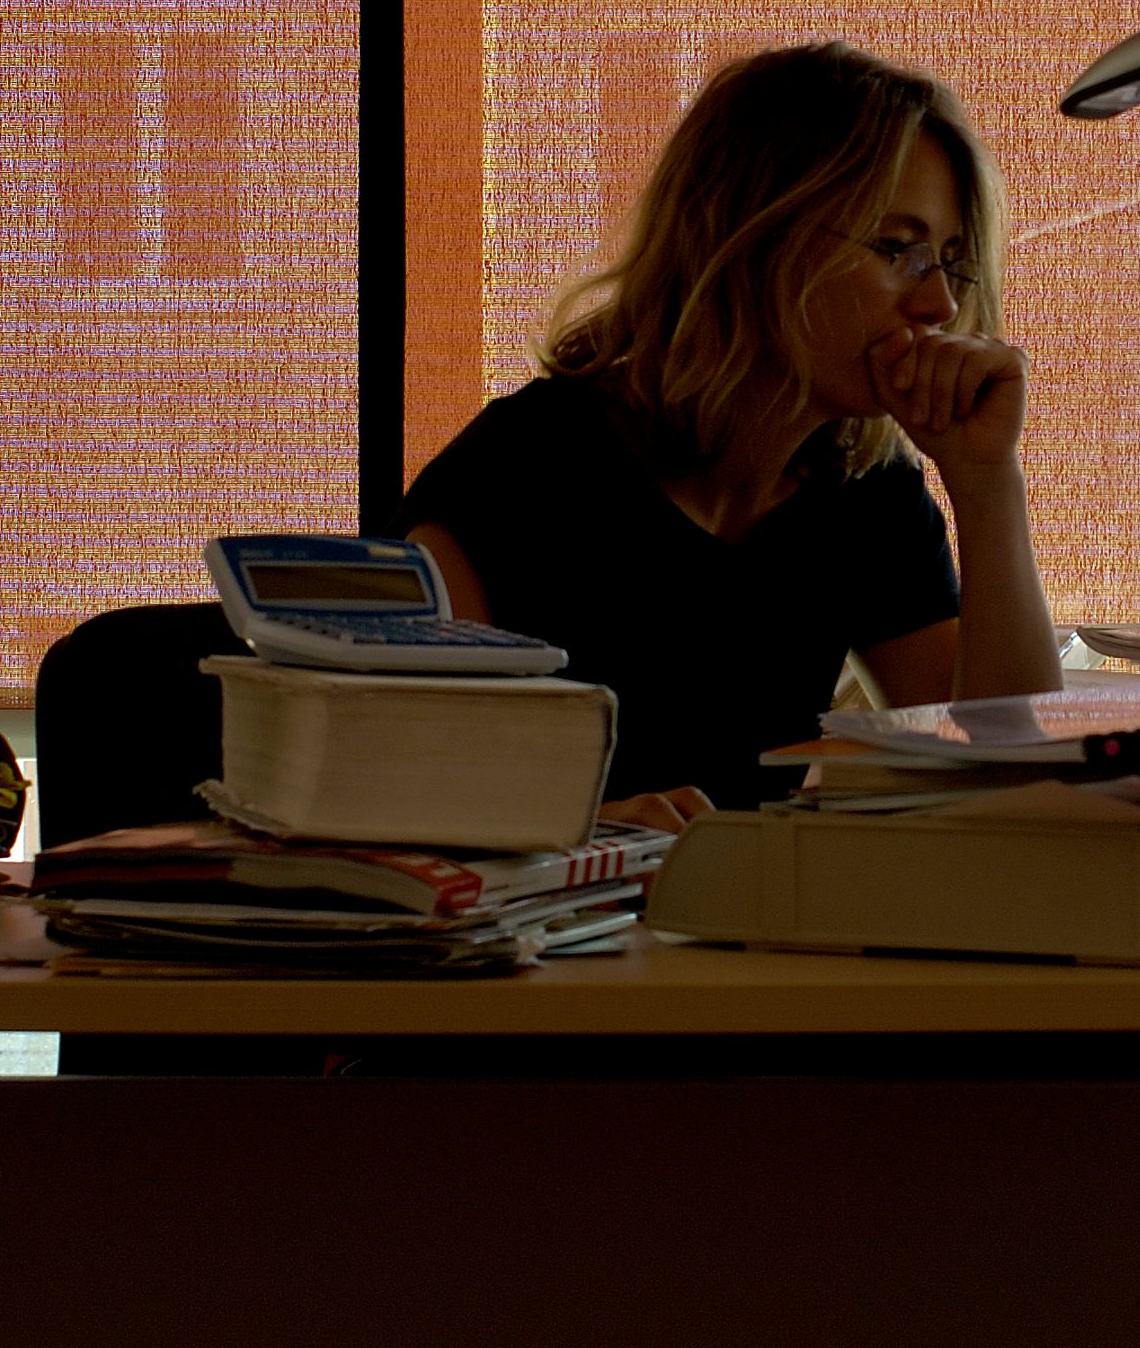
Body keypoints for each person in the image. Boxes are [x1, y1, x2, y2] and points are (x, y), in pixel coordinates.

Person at [396, 41, 1062, 825]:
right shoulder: (522, 474)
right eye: (896, 250)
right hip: (561, 940)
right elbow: (406, 788)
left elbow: (1012, 776)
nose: (940, 308)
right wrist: (580, 834)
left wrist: (987, 483)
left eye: (950, 261)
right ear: (753, 235)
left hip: (738, 930)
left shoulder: (860, 492)